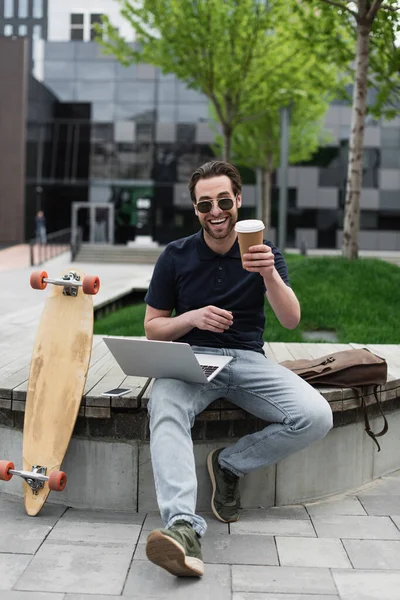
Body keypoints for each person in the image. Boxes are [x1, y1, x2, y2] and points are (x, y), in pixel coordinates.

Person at [143, 161, 333, 578]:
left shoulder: (264, 253)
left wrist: (269, 275)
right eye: (205, 204)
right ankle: (181, 529)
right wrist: (190, 318)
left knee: (316, 415)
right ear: (195, 209)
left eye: (224, 201)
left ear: (239, 201)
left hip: (247, 360)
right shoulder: (175, 256)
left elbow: (291, 320)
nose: (216, 211)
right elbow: (153, 328)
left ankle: (230, 464)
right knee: (165, 408)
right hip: (189, 360)